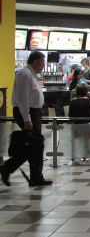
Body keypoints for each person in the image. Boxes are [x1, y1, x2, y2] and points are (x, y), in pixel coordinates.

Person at [0, 51, 52, 187]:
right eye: (42, 62)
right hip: (28, 112)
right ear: (35, 61)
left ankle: (34, 176)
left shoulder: (31, 75)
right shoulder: (25, 74)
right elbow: (23, 99)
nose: (43, 65)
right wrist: (27, 118)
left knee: (34, 146)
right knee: (33, 145)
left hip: (33, 112)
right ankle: (8, 168)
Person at [68, 84, 90, 160]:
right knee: (86, 135)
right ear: (86, 92)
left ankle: (77, 154)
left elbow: (70, 116)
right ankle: (86, 152)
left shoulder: (72, 103)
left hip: (77, 129)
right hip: (89, 129)